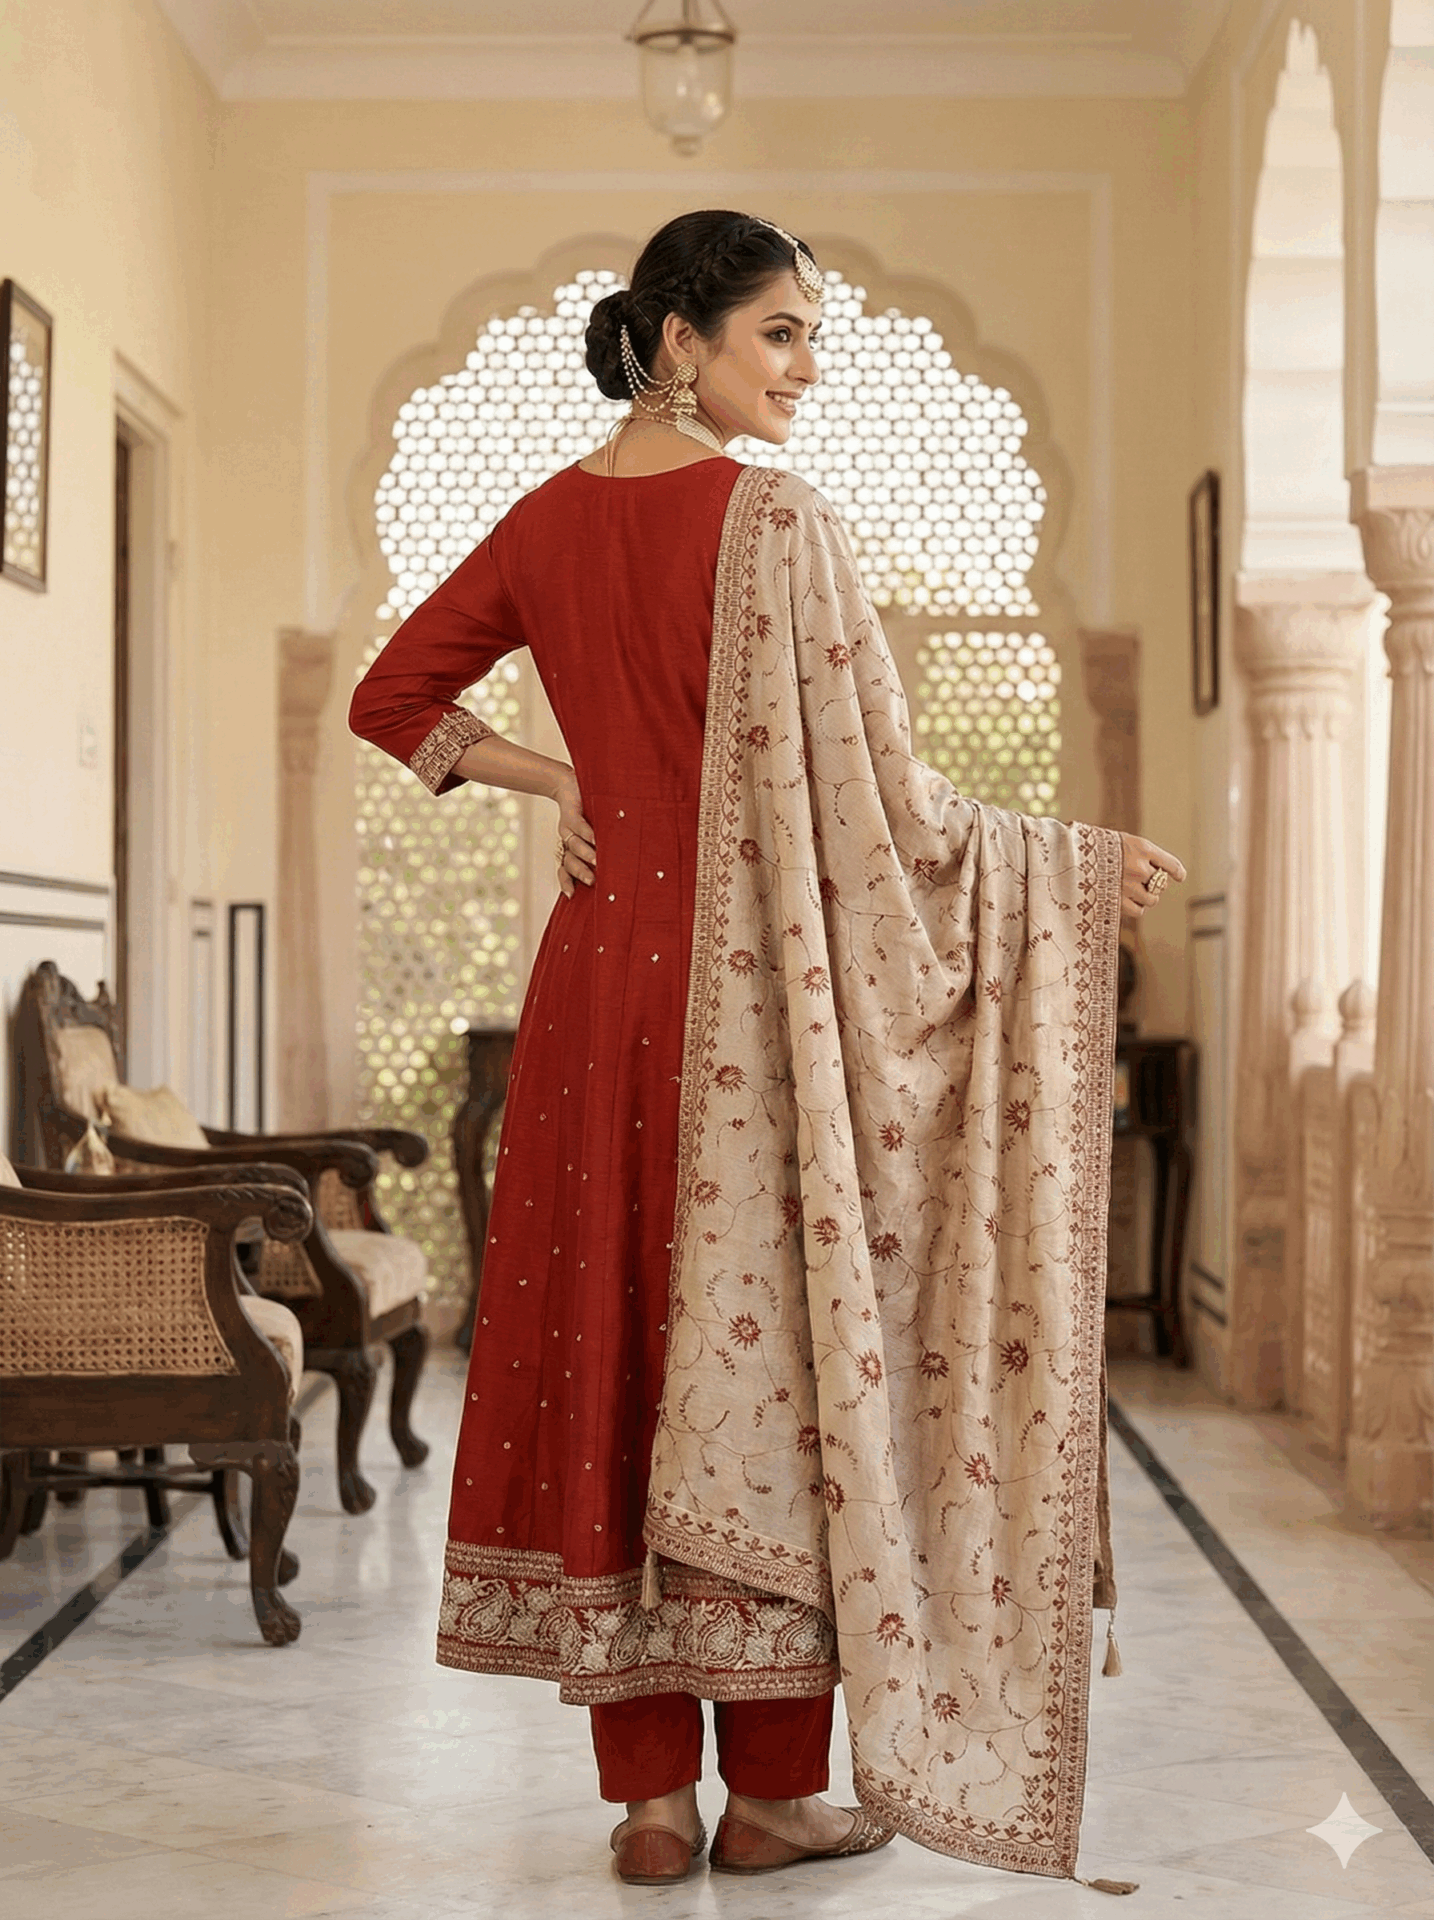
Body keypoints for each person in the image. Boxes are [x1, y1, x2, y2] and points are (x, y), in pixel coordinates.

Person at [350, 209, 1184, 1891]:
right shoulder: (775, 520)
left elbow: (392, 698)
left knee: (620, 1352)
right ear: (681, 340)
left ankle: (649, 1804)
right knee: (773, 1370)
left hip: (594, 993)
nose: (806, 370)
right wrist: (1071, 866)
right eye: (781, 333)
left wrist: (561, 780)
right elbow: (892, 806)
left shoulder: (543, 521)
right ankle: (773, 1796)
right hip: (751, 1011)